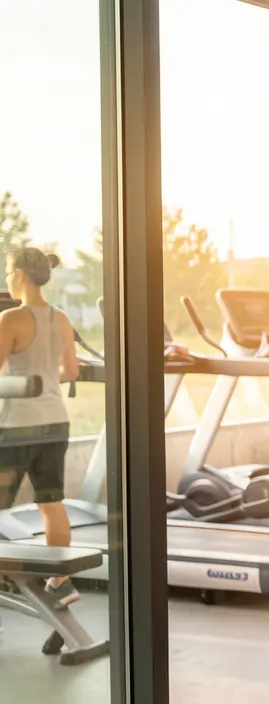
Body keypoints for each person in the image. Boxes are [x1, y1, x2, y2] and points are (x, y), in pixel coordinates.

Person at [0, 249, 80, 605]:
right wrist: (47, 380)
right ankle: (59, 581)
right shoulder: (60, 318)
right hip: (55, 422)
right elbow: (72, 373)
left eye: (6, 271)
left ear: (19, 274)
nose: (5, 278)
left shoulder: (11, 319)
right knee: (52, 502)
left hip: (18, 425)